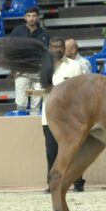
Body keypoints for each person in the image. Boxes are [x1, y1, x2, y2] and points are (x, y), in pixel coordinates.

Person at [26, 37, 84, 192]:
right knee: (51, 152)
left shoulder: (75, 66)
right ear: (49, 48)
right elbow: (41, 88)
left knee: (72, 150)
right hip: (49, 116)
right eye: (54, 46)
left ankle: (78, 182)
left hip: (69, 117)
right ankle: (53, 184)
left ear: (64, 49)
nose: (57, 49)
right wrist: (34, 92)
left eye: (60, 46)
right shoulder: (43, 66)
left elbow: (79, 90)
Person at [11, 6, 49, 115]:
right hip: (21, 70)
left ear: (37, 18)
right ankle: (20, 125)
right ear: (24, 17)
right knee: (21, 103)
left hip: (38, 71)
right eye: (29, 16)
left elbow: (46, 53)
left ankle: (33, 127)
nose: (31, 18)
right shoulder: (17, 31)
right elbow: (11, 50)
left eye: (33, 16)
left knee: (36, 104)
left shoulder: (44, 34)